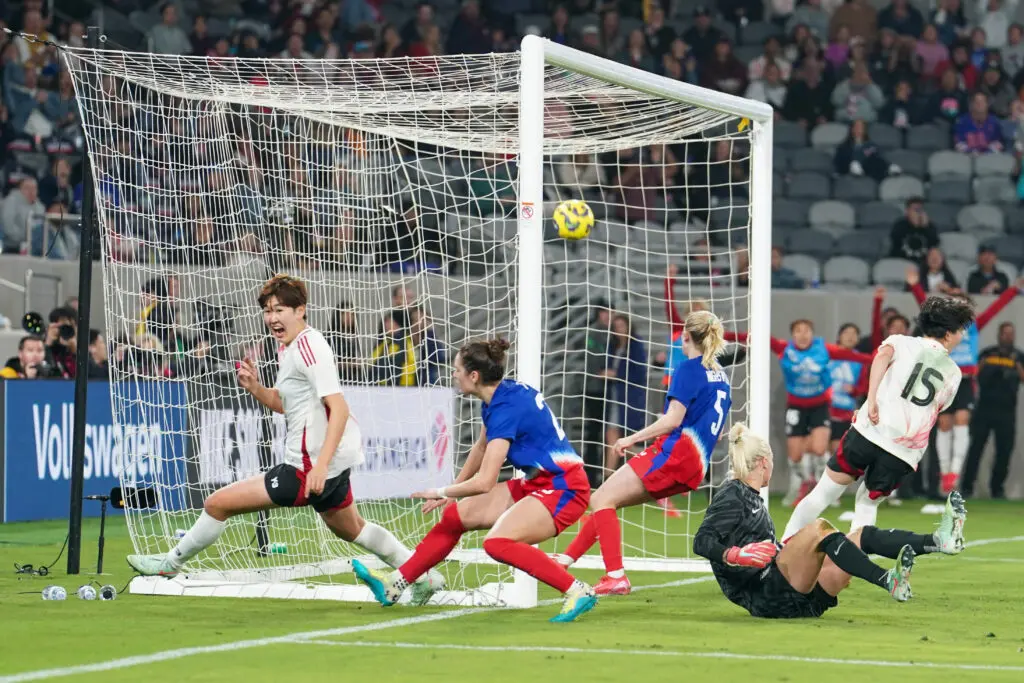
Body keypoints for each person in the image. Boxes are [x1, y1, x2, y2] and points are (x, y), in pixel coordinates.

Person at [126, 275, 444, 605]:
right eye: (267, 311)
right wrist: (257, 389)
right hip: (328, 464)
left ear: (301, 310)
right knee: (354, 529)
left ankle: (169, 564)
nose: (272, 318)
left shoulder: (309, 346)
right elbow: (286, 405)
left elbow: (338, 406)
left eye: (279, 309)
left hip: (308, 468)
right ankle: (423, 574)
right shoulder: (289, 347)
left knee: (217, 503)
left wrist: (319, 467)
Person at [351, 339, 596, 623]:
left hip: (564, 490)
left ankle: (577, 590)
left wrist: (442, 489)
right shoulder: (501, 396)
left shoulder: (504, 410)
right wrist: (453, 493)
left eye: (457, 369)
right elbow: (480, 448)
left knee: (497, 543)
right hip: (540, 483)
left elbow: (485, 483)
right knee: (454, 516)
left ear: (474, 376)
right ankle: (399, 582)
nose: (453, 374)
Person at [695, 423, 967, 618]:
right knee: (820, 528)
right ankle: (888, 579)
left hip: (799, 598)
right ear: (764, 462)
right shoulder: (733, 494)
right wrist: (736, 554)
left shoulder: (751, 497)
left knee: (860, 536)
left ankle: (937, 541)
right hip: (767, 595)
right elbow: (702, 541)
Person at [555, 311, 731, 596]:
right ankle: (564, 561)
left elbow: (673, 419)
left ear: (684, 335)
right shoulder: (720, 374)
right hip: (696, 465)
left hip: (674, 455)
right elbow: (718, 429)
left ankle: (616, 576)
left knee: (600, 498)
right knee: (606, 502)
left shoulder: (688, 369)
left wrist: (631, 439)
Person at [784, 296, 976, 539]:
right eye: (960, 330)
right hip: (902, 452)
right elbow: (937, 407)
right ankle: (849, 562)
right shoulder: (954, 373)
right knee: (866, 504)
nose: (961, 337)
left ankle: (781, 547)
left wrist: (871, 399)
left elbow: (881, 357)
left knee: (823, 493)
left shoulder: (900, 342)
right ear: (948, 334)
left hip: (869, 432)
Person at [726, 321, 873, 506]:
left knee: (820, 449)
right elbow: (755, 337)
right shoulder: (784, 349)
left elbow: (851, 356)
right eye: (798, 331)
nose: (803, 335)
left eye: (807, 331)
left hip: (820, 405)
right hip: (796, 407)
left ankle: (822, 487)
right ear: (792, 335)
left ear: (813, 334)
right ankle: (805, 481)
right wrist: (723, 335)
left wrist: (879, 359)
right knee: (795, 455)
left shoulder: (823, 350)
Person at [906, 270, 1021, 492]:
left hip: (966, 380)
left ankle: (954, 473)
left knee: (961, 421)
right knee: (944, 424)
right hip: (943, 379)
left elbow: (996, 307)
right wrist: (914, 287)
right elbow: (925, 305)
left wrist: (1014, 289)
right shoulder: (942, 324)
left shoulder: (973, 326)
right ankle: (944, 471)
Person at [961, 322, 1023, 499]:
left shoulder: (1018, 356)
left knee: (1004, 451)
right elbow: (974, 374)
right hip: (984, 409)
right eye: (1005, 333)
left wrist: (1017, 365)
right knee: (975, 449)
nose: (1008, 337)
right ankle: (967, 487)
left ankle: (997, 489)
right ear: (999, 335)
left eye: (1011, 333)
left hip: (1007, 411)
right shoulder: (987, 354)